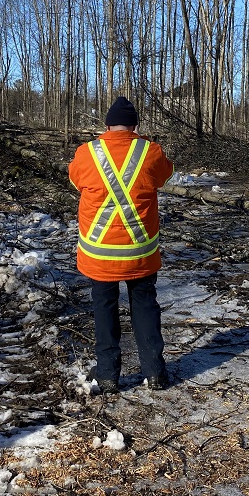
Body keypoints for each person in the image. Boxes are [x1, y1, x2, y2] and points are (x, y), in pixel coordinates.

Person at [68, 96, 174, 394]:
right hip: (140, 251)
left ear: (106, 125)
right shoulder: (151, 151)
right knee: (145, 307)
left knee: (104, 309)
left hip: (98, 253)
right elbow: (164, 175)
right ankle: (154, 372)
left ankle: (107, 376)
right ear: (135, 125)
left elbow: (76, 180)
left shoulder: (87, 153)